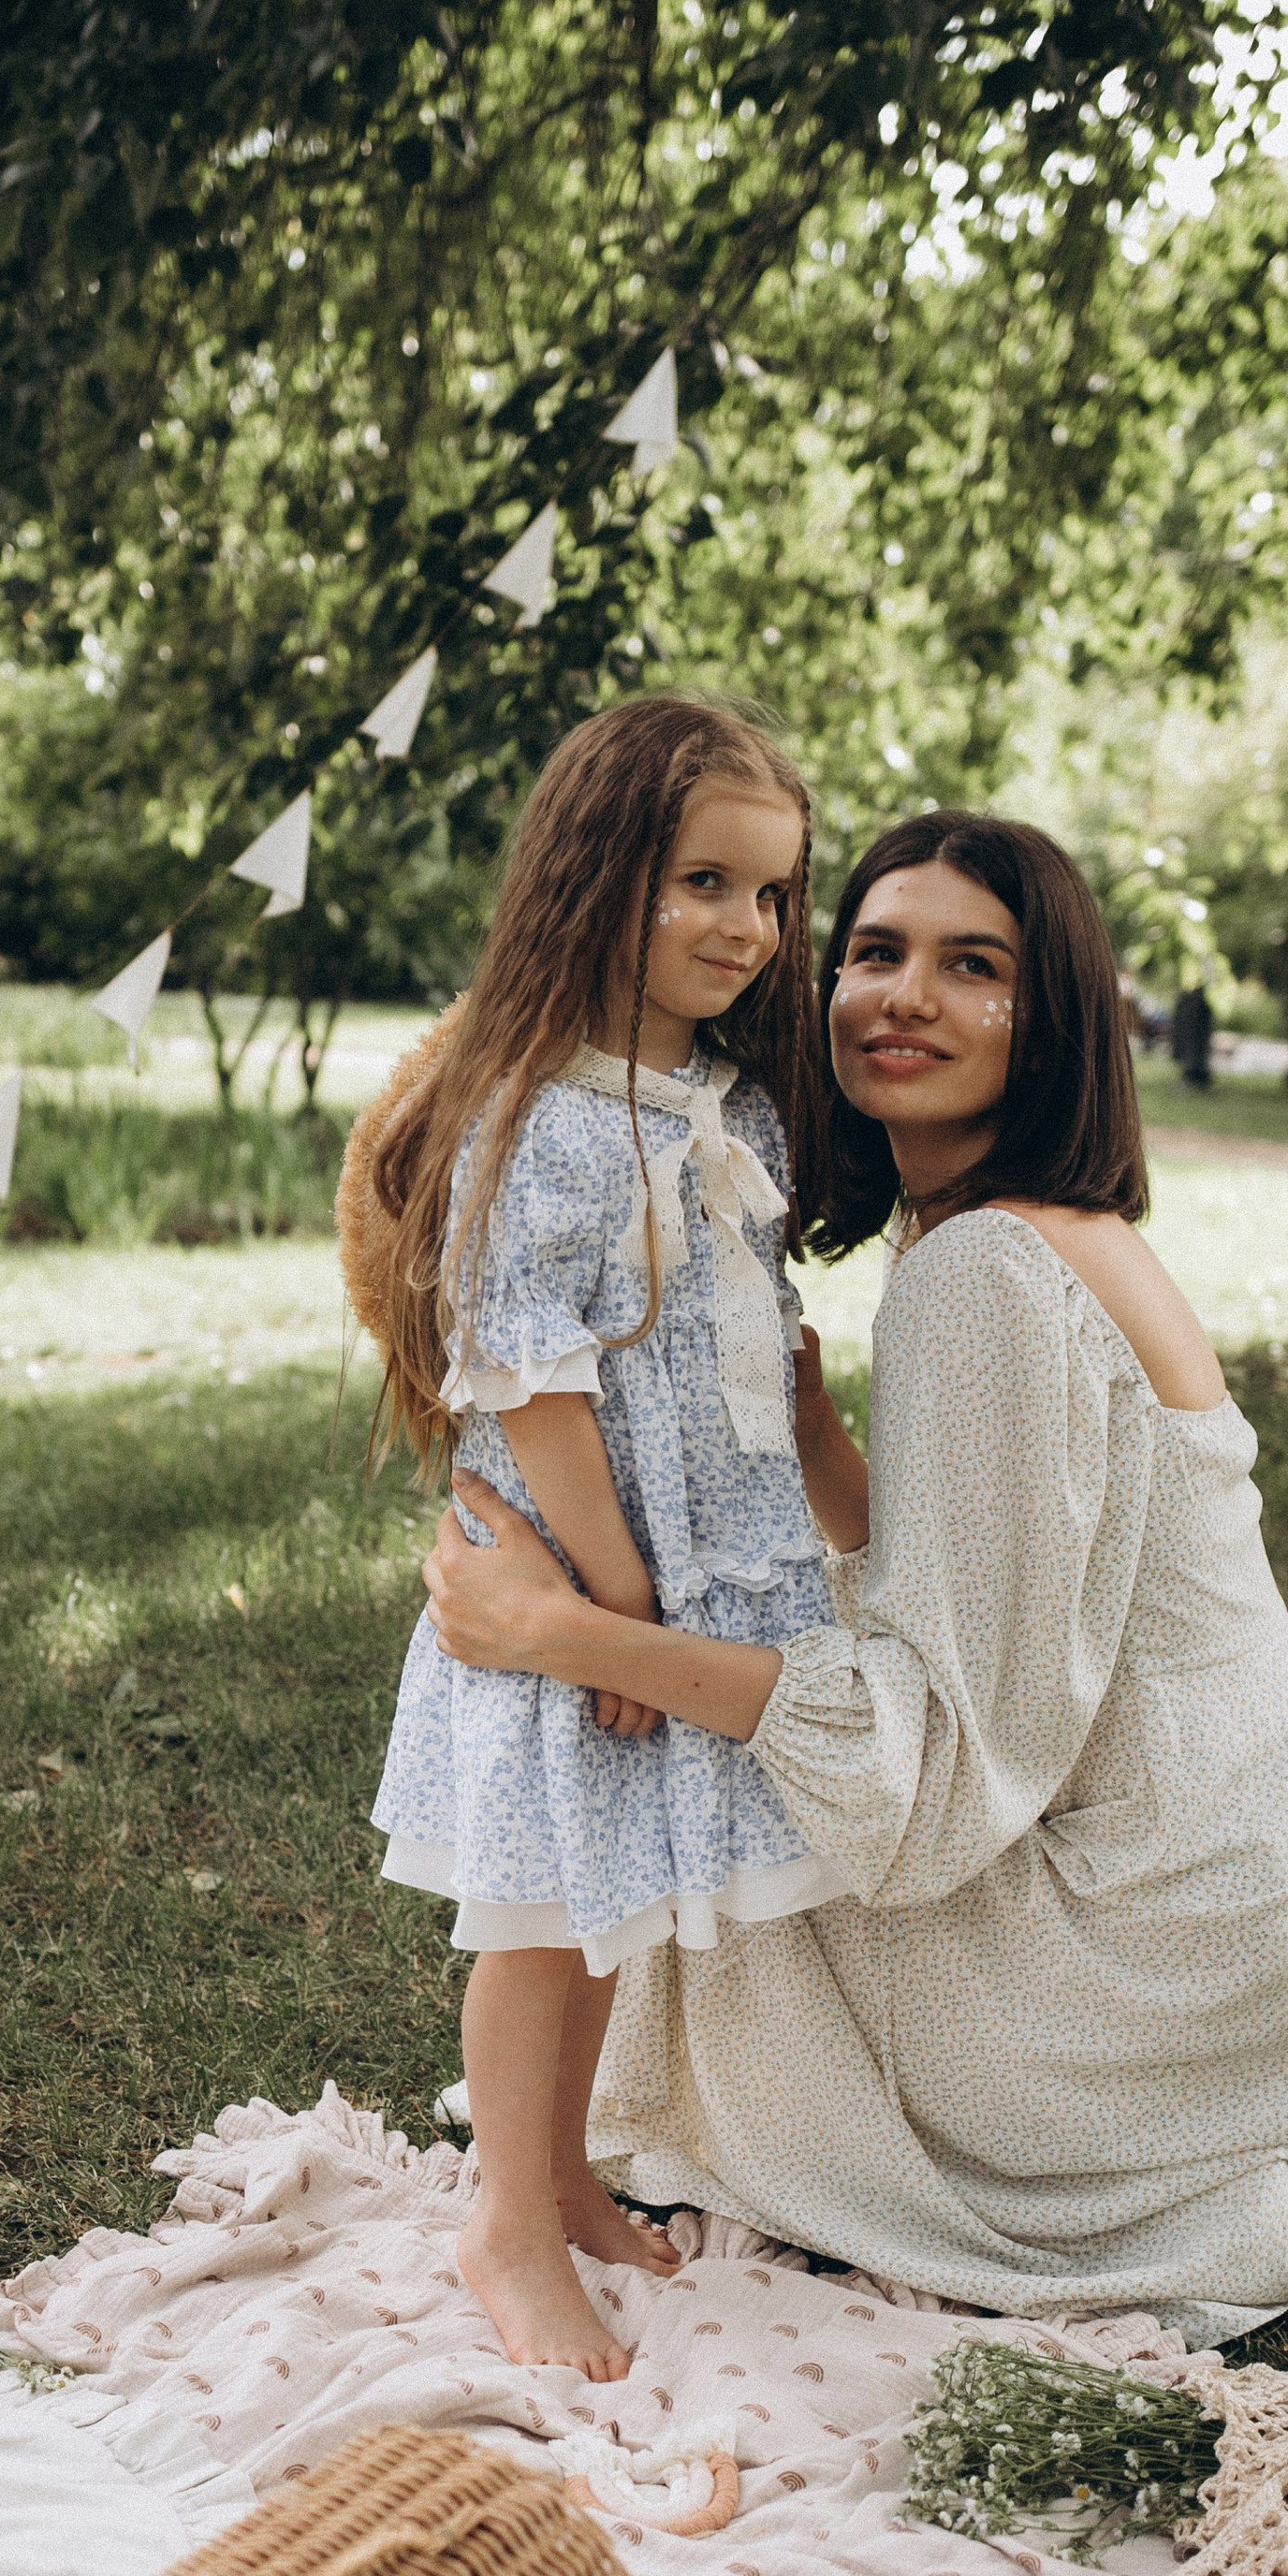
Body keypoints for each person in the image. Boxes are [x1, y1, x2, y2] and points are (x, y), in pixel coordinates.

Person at [420, 809, 1288, 2347]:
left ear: (1046, 1025)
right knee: (775, 1710)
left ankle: (1258, 2081)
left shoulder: (984, 1282)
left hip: (1170, 1926)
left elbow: (921, 1767)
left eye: (971, 967)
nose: (903, 995)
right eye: (872, 951)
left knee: (730, 1841)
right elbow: (1003, 1571)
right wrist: (816, 1442)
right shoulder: (1060, 1232)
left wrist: (570, 1630)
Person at [365, 697, 853, 2381]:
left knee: (604, 1905)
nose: (748, 928)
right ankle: (503, 2218)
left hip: (691, 1560)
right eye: (705, 882)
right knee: (538, 1914)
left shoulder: (717, 1103)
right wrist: (611, 1598)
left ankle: (561, 2173)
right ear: (597, 877)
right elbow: (530, 1366)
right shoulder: (542, 1111)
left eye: (775, 896)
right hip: (572, 1567)